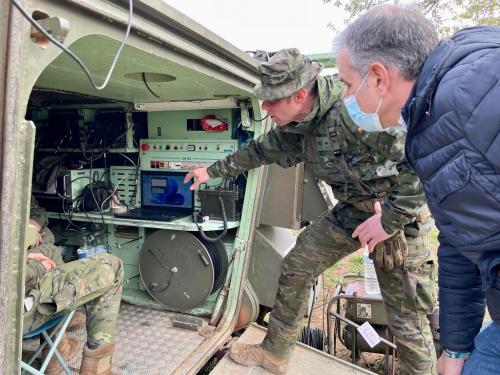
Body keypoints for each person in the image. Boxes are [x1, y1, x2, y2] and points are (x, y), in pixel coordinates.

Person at [184, 48, 438, 375]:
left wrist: (388, 221)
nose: (265, 107)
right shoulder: (296, 127)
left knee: (405, 314)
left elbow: (420, 162)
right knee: (297, 265)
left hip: (395, 214)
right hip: (351, 210)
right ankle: (274, 354)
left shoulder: (358, 111)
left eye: (272, 100)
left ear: (300, 94)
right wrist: (211, 171)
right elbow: (259, 151)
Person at [333, 4, 500, 375]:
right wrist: (455, 348)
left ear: (378, 76)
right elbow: (461, 240)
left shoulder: (476, 91)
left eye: (347, 83)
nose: (346, 97)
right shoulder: (432, 121)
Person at [25, 196, 124, 375]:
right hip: (16, 311)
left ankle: (55, 352)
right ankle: (91, 368)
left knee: (47, 243)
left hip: (22, 296)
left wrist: (30, 229)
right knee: (113, 267)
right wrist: (30, 261)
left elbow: (36, 211)